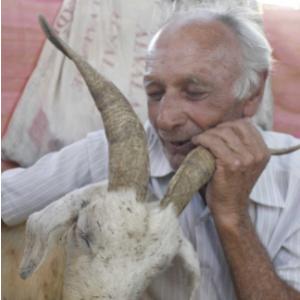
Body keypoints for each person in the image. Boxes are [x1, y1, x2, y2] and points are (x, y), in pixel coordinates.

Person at [2, 5, 300, 300]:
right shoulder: (115, 154)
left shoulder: (294, 177)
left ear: (253, 93)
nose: (165, 119)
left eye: (194, 92)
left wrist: (233, 217)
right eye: (155, 93)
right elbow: (7, 199)